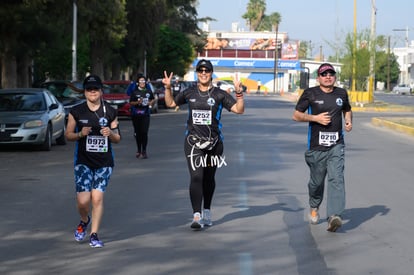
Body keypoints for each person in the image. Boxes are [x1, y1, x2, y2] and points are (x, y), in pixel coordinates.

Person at [162, 59, 245, 230]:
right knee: (196, 177)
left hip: (214, 144)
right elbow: (170, 103)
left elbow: (239, 110)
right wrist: (168, 87)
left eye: (207, 71)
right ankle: (196, 215)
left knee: (208, 178)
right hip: (193, 143)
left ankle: (206, 210)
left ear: (211, 73)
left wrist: (239, 93)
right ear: (197, 73)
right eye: (200, 71)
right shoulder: (189, 92)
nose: (204, 73)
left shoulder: (219, 94)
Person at [292, 63, 352, 232]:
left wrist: (348, 120)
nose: (328, 76)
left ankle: (334, 215)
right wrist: (315, 118)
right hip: (316, 147)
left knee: (337, 178)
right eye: (324, 74)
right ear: (318, 77)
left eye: (331, 74)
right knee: (316, 183)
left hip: (336, 145)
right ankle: (314, 205)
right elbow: (296, 115)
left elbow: (347, 110)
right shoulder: (310, 93)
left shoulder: (341, 93)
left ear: (335, 76)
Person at [65, 74, 121, 247]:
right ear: (85, 92)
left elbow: (118, 137)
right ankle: (84, 220)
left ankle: (94, 235)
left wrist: (110, 134)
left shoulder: (110, 111)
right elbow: (68, 135)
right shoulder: (76, 111)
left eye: (95, 89)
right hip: (83, 161)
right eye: (89, 89)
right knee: (83, 201)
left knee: (96, 198)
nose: (92, 92)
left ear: (101, 91)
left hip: (104, 162)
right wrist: (80, 134)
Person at [129, 73, 156, 159]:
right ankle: (138, 150)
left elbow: (153, 99)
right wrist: (137, 102)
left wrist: (151, 102)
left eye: (144, 81)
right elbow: (131, 102)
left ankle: (144, 151)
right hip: (136, 115)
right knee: (138, 133)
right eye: (141, 81)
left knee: (144, 132)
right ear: (138, 83)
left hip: (145, 114)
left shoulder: (148, 91)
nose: (142, 82)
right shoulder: (134, 92)